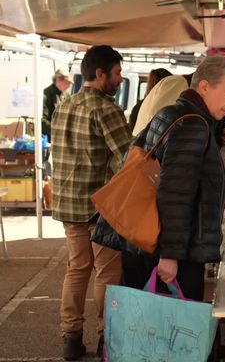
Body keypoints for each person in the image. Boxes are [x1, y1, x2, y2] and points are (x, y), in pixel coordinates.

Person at [118, 54, 225, 301]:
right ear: (205, 86)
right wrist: (170, 255)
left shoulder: (171, 112)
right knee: (171, 331)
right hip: (169, 253)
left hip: (145, 241)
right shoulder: (193, 125)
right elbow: (175, 193)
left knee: (140, 325)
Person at [51, 45, 132, 360]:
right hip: (101, 206)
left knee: (77, 269)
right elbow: (130, 158)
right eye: (117, 73)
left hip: (69, 204)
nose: (120, 79)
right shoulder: (105, 109)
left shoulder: (64, 106)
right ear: (100, 74)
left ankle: (71, 337)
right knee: (107, 273)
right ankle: (105, 337)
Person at [43, 69, 72, 142]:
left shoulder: (66, 95)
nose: (69, 86)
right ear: (58, 80)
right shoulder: (45, 95)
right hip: (50, 138)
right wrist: (58, 130)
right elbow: (42, 121)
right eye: (67, 82)